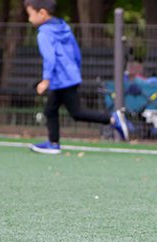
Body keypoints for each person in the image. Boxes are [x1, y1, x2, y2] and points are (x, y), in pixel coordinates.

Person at [25, 0, 131, 155]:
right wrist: (75, 70)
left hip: (61, 80)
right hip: (70, 75)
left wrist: (45, 80)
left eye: (30, 14)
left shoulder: (44, 34)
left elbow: (50, 58)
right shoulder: (63, 27)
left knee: (72, 112)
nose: (29, 19)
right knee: (55, 110)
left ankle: (112, 119)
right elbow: (76, 52)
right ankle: (54, 143)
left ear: (42, 13)